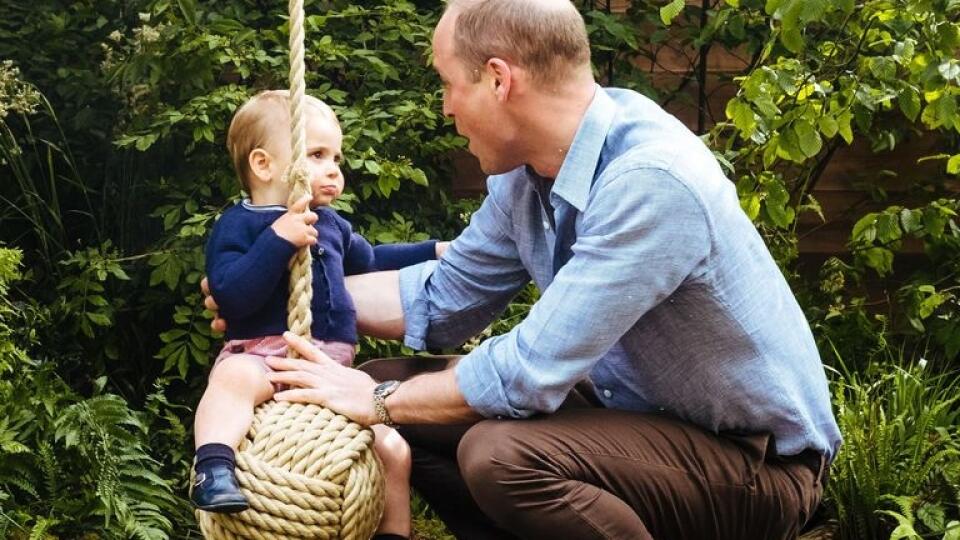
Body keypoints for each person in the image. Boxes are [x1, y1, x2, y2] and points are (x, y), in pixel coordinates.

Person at [204, 1, 842, 538]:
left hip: (753, 465)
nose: (446, 109)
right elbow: (444, 298)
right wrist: (274, 291)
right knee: (389, 388)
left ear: (497, 80)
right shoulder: (528, 174)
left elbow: (529, 373)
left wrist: (377, 402)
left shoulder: (649, 183)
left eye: (449, 84)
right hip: (638, 416)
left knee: (496, 455)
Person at [194, 90, 445, 540]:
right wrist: (278, 239)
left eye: (337, 157)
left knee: (391, 446)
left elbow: (371, 260)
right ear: (263, 165)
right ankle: (213, 466)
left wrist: (432, 251)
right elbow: (232, 295)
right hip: (263, 357)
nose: (334, 169)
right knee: (232, 380)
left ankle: (394, 532)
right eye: (317, 154)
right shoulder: (240, 224)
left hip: (330, 371)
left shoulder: (329, 223)